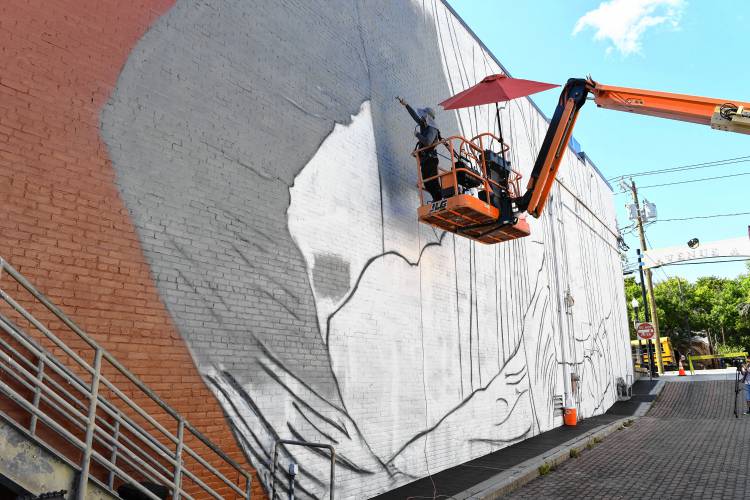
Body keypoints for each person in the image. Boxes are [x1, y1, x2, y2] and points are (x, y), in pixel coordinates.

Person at [397, 96, 443, 201]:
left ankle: (439, 201)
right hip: (425, 160)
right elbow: (415, 117)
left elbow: (427, 142)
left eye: (424, 116)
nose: (422, 118)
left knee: (433, 183)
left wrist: (417, 135)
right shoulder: (425, 126)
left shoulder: (432, 129)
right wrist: (406, 105)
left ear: (428, 117)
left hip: (430, 160)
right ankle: (436, 200)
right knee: (427, 183)